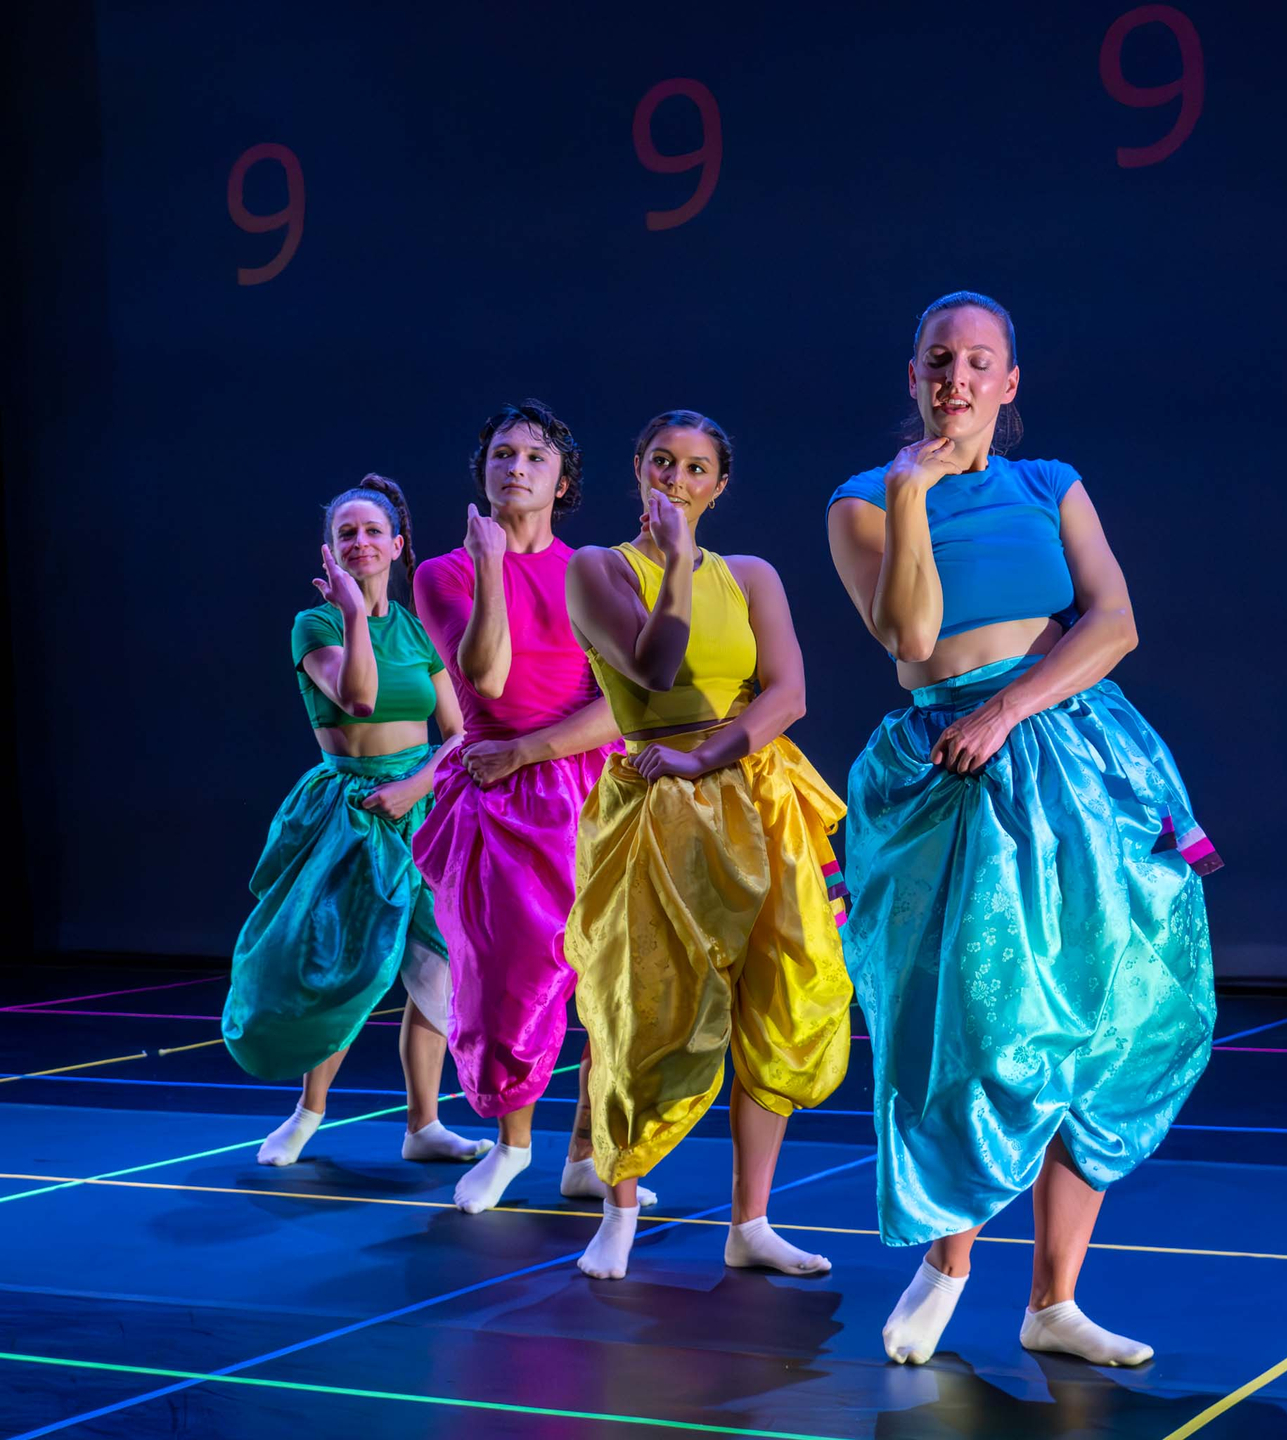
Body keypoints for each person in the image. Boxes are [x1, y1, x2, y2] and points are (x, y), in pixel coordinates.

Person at [828, 291, 1220, 1367]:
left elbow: (1115, 620)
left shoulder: (1052, 485)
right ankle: (949, 1261)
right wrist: (912, 492)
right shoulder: (863, 501)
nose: (957, 377)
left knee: (1104, 1018)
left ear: (1009, 384)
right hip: (945, 772)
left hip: (1074, 757)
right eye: (938, 360)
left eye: (979, 361)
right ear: (913, 377)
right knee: (976, 1022)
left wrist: (1010, 709)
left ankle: (1054, 1302)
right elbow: (909, 634)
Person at [564, 410, 853, 1281]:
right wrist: (679, 563)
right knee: (644, 999)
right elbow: (654, 668)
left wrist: (710, 754)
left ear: (719, 485)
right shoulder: (598, 569)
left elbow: (787, 692)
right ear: (639, 472)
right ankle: (618, 1202)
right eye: (663, 464)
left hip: (757, 792)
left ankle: (751, 1221)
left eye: (697, 470)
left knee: (781, 990)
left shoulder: (754, 574)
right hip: (655, 806)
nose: (678, 482)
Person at [412, 401, 652, 1215]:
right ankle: (513, 1148)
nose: (516, 466)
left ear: (563, 480)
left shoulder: (595, 570)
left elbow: (629, 702)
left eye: (535, 457)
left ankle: (588, 1154)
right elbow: (487, 679)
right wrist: (489, 567)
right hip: (503, 809)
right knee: (510, 984)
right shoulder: (443, 572)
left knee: (604, 988)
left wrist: (530, 751)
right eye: (502, 454)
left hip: (590, 791)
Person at [224, 475, 484, 1168]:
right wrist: (349, 614)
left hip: (423, 809)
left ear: (397, 545)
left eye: (373, 532)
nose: (361, 543)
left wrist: (418, 785)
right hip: (353, 812)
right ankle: (309, 1114)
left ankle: (423, 1125)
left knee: (437, 970)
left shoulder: (419, 628)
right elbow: (360, 700)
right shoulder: (315, 626)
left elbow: (458, 729)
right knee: (346, 965)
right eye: (348, 534)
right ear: (331, 550)